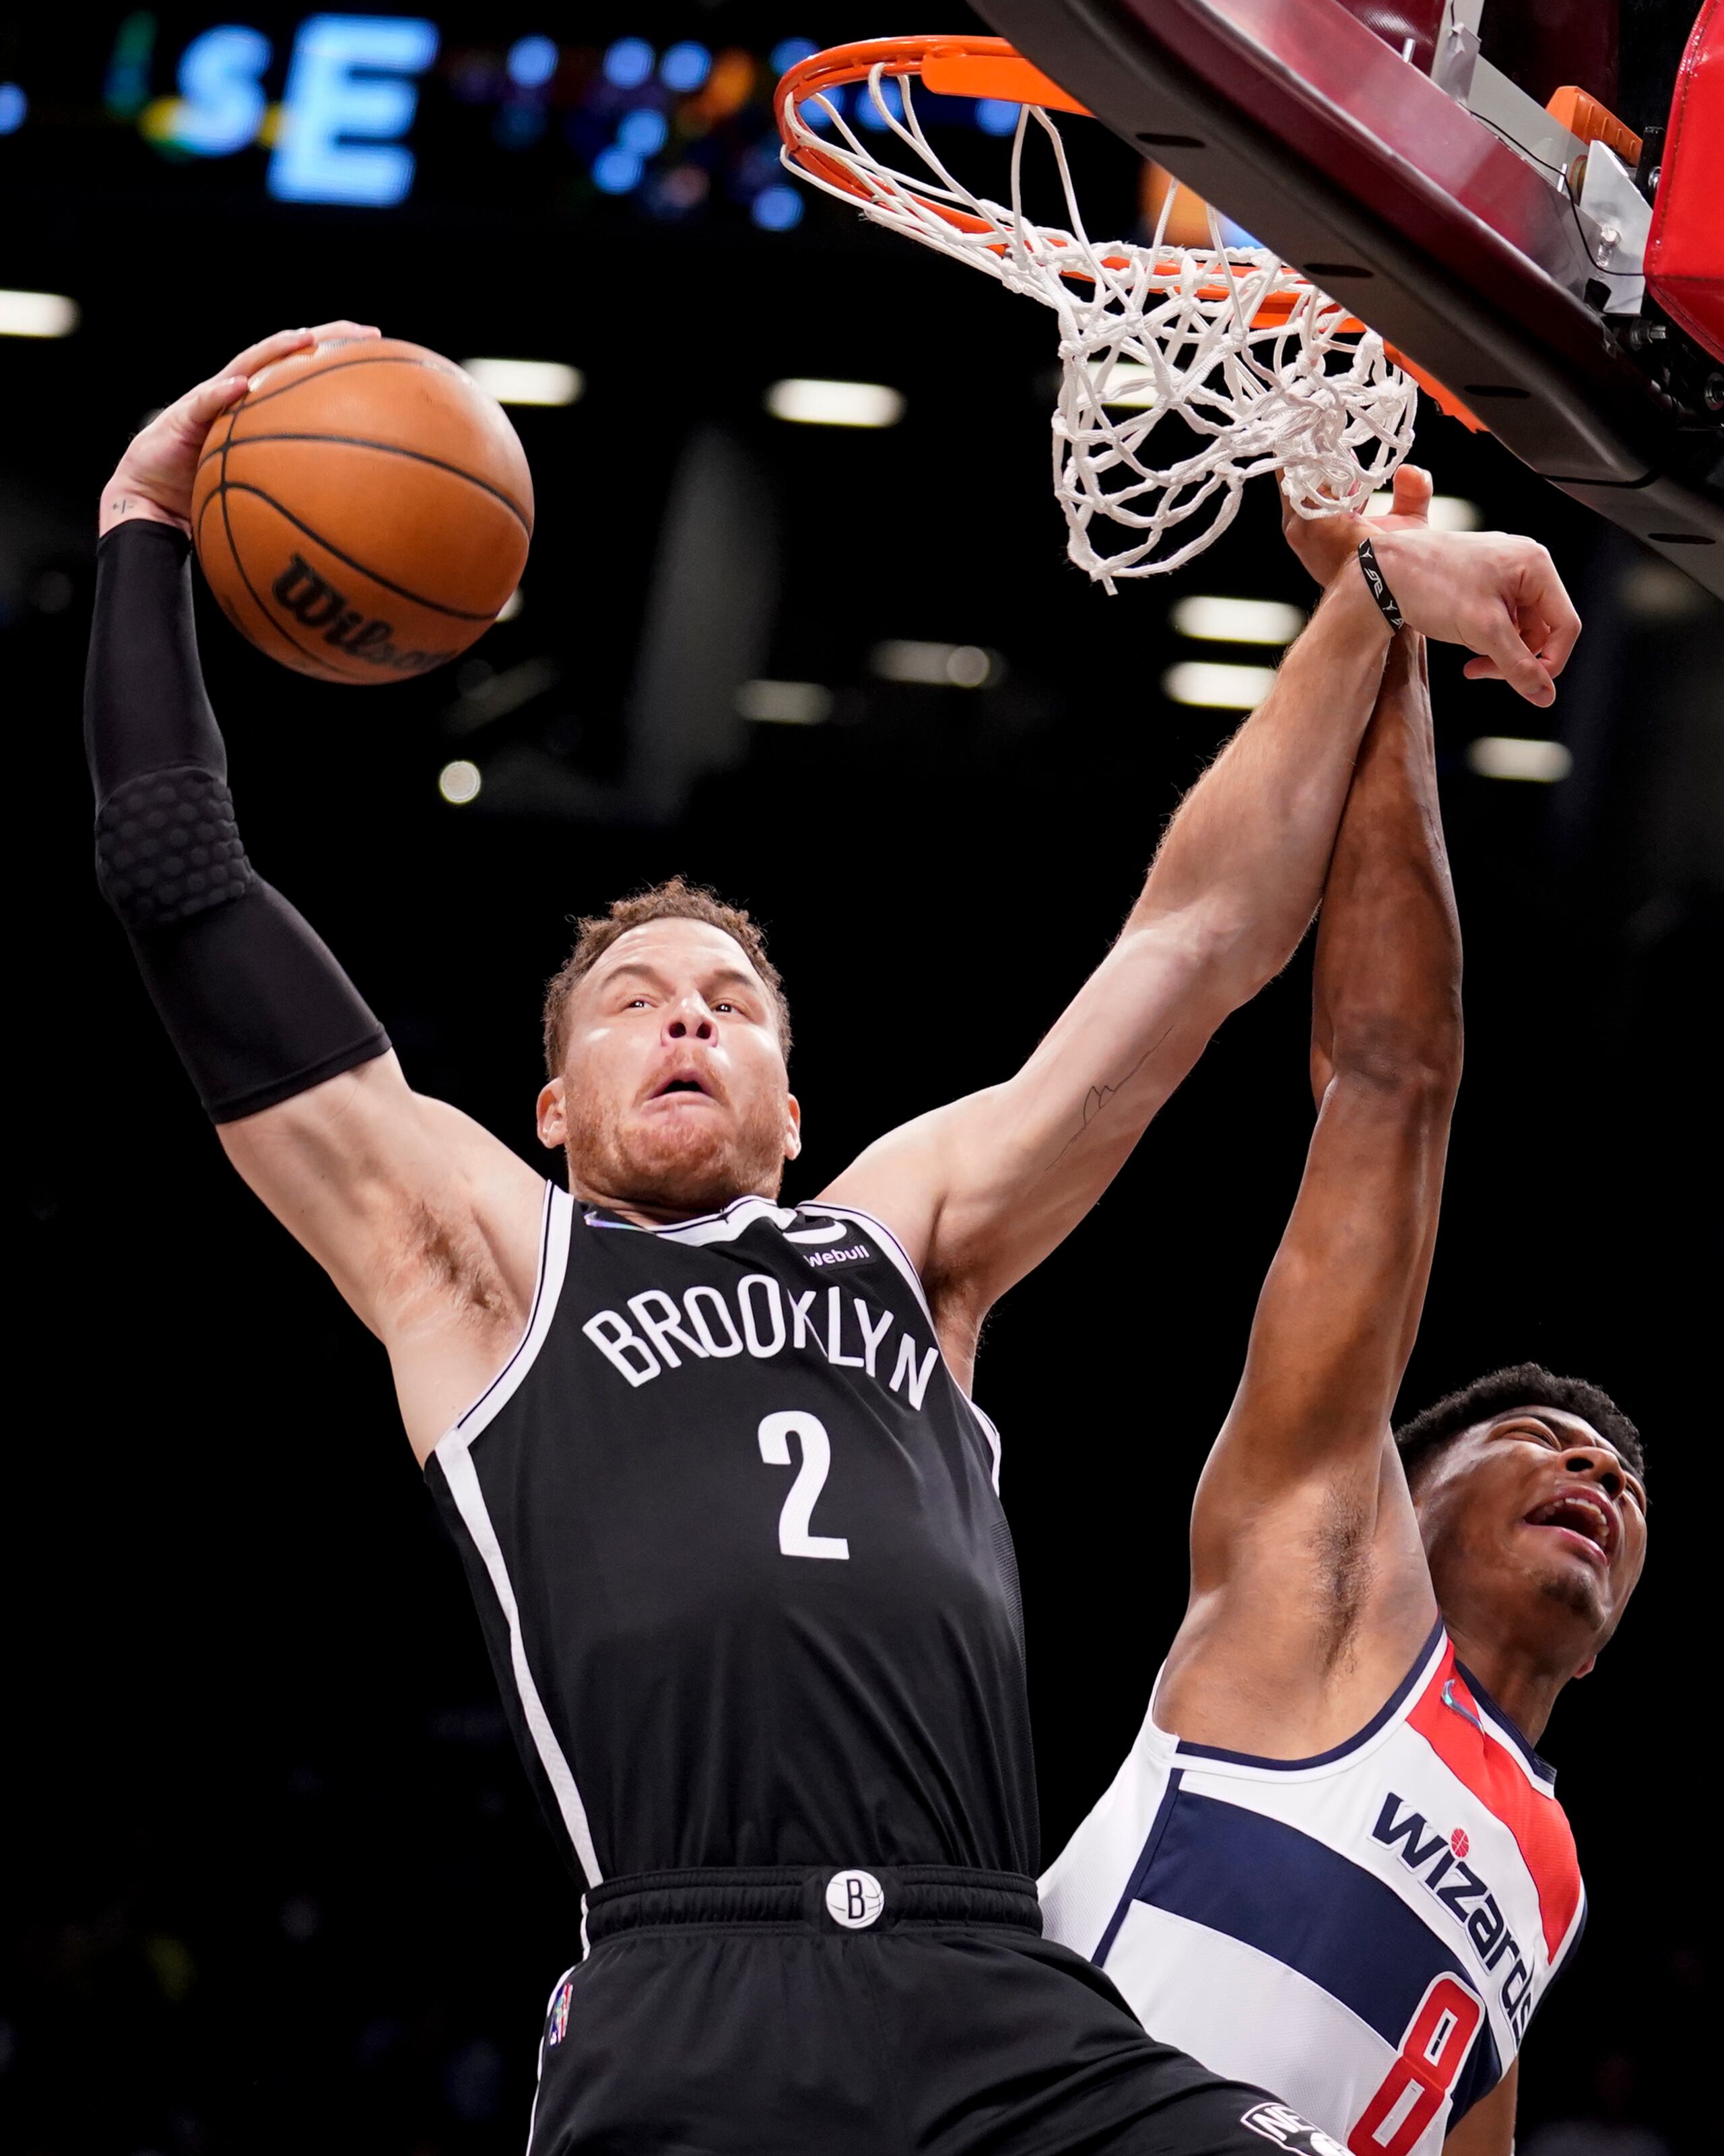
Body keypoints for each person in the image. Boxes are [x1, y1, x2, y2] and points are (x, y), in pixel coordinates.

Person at [86, 320, 1581, 2156]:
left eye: (732, 998)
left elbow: (1194, 940)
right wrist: (144, 529)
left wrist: (1364, 599)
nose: (687, 1017)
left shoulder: (911, 1241)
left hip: (992, 1994)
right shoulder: (482, 1264)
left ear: (801, 1108)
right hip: (695, 1997)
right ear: (551, 1108)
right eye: (631, 1003)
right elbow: (187, 895)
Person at [1040, 537, 1644, 2156]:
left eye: (1621, 1475)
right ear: (1405, 1480)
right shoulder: (1319, 1561)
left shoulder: (1547, 1873)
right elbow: (1387, 1076)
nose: (1595, 1462)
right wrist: (1394, 622)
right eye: (1540, 1437)